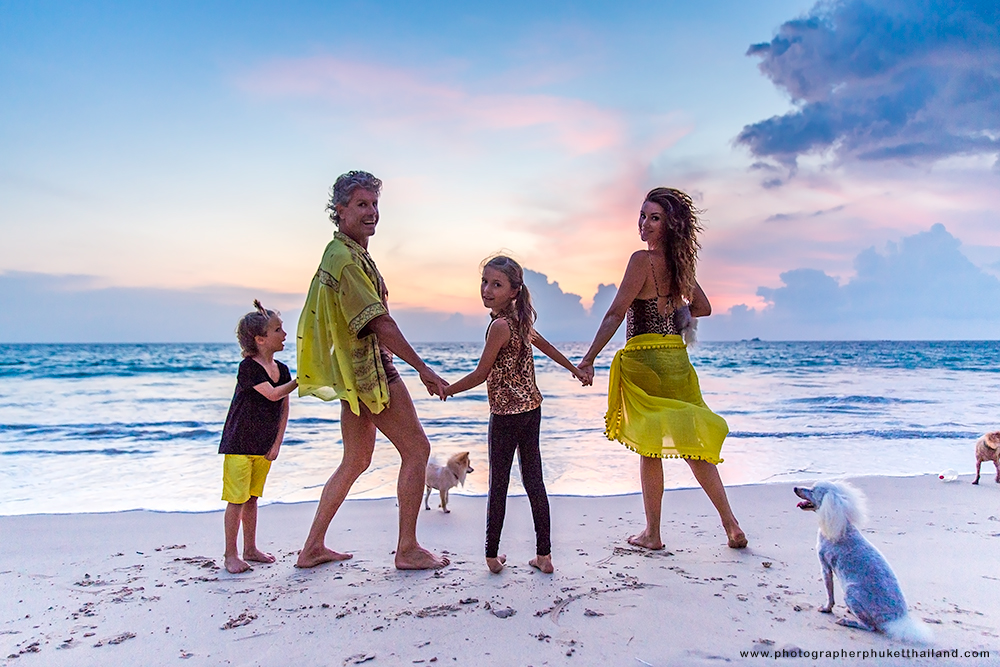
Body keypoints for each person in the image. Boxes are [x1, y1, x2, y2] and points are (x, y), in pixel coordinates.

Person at [295, 170, 450, 570]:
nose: (371, 213)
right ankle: (408, 548)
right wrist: (424, 369)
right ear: (340, 210)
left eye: (374, 205)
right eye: (361, 205)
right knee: (417, 449)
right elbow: (378, 321)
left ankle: (312, 547)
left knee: (356, 459)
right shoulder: (346, 259)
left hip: (355, 374)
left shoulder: (347, 251)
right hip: (370, 372)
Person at [578, 188, 747, 550]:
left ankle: (652, 534)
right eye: (642, 216)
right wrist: (678, 311)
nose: (644, 223)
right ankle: (731, 524)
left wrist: (589, 357)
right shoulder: (679, 264)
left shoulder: (642, 260)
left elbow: (615, 313)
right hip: (677, 360)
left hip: (645, 359)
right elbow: (703, 307)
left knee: (650, 448)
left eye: (653, 217)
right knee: (692, 446)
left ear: (669, 224)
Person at [443, 256, 588, 574]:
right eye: (484, 282)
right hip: (532, 409)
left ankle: (492, 557)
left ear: (513, 291)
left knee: (499, 483)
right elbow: (547, 347)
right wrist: (575, 369)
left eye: (496, 284)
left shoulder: (499, 326)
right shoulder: (520, 321)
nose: (487, 289)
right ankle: (544, 556)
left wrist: (448, 389)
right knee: (534, 480)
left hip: (506, 415)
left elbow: (481, 374)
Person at [219, 301, 298, 574]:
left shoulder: (283, 370)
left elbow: (283, 407)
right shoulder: (248, 368)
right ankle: (231, 554)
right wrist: (303, 380)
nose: (284, 334)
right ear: (260, 339)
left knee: (252, 498)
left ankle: (250, 548)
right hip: (240, 444)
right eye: (278, 329)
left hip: (264, 445)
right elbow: (273, 394)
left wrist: (277, 443)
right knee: (237, 499)